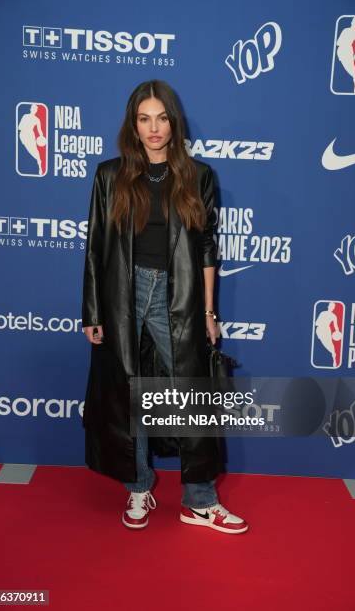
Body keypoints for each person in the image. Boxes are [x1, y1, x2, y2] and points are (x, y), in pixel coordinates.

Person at [81, 79, 248, 534]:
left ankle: (199, 501)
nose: (154, 128)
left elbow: (207, 248)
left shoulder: (198, 175)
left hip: (179, 296)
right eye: (144, 118)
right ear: (133, 126)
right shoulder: (109, 175)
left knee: (189, 397)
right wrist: (93, 312)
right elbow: (95, 246)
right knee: (126, 392)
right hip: (122, 295)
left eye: (162, 118)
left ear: (174, 123)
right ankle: (138, 485)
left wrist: (210, 313)